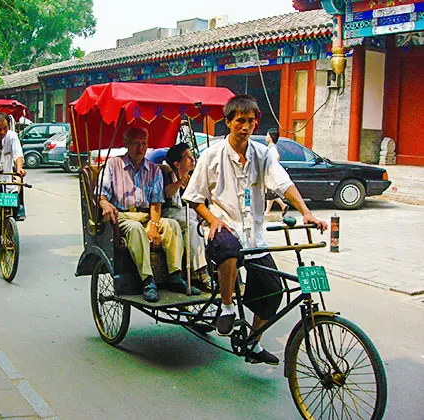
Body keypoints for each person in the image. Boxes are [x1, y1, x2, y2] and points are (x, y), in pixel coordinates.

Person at [182, 94, 327, 365]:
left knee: (274, 290)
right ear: (228, 122)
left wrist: (306, 212)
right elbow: (193, 197)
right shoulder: (211, 156)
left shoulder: (262, 155)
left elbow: (284, 184)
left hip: (254, 235)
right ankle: (226, 307)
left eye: (250, 121)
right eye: (240, 121)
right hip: (221, 227)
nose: (245, 127)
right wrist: (212, 220)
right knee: (228, 248)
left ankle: (253, 342)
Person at [98, 127, 200, 303]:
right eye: (136, 143)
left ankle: (175, 275)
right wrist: (104, 203)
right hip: (123, 216)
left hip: (147, 215)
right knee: (136, 228)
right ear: (127, 144)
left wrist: (154, 225)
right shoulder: (113, 165)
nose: (140, 148)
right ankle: (147, 280)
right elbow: (101, 194)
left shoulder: (153, 170)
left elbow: (156, 202)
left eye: (144, 144)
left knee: (171, 225)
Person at [163, 143, 211, 291]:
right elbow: (166, 193)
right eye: (188, 157)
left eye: (192, 156)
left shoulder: (195, 177)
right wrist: (179, 183)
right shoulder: (166, 176)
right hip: (172, 214)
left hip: (191, 215)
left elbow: (201, 201)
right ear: (177, 163)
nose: (192, 159)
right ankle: (200, 272)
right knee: (193, 227)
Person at [264, 128, 289, 216]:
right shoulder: (271, 147)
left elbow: (277, 157)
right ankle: (282, 206)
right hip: (270, 174)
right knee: (271, 192)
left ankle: (269, 211)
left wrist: (273, 167)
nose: (266, 137)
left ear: (270, 137)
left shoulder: (272, 148)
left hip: (271, 174)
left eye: (267, 135)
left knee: (271, 191)